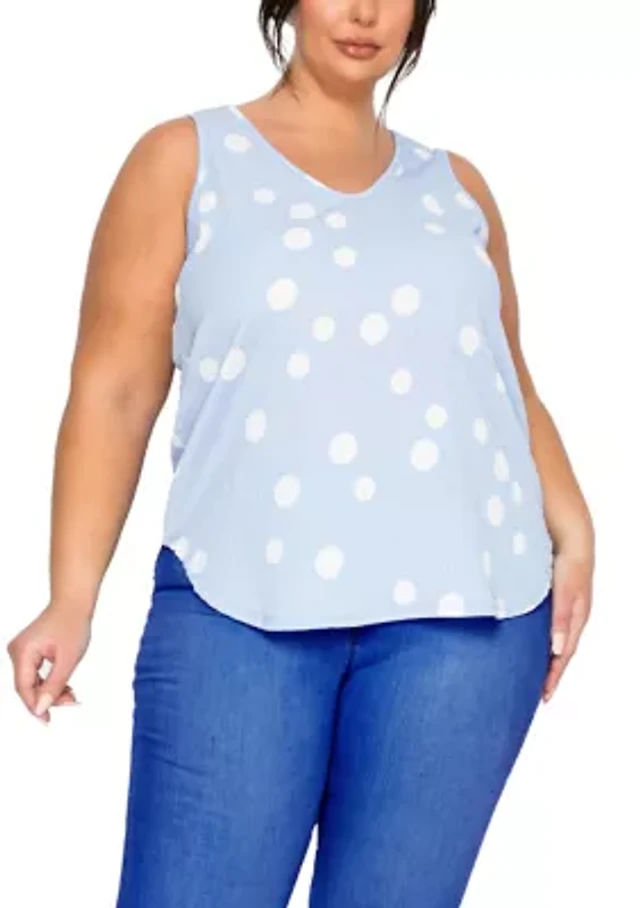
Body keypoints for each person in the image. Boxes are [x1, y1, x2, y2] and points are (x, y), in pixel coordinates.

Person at [6, 1, 595, 905]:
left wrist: (574, 525)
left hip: (465, 622)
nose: (364, 12)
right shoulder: (184, 160)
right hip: (239, 604)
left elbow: (504, 377)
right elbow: (114, 390)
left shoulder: (459, 190)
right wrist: (71, 598)